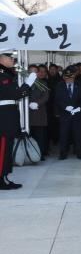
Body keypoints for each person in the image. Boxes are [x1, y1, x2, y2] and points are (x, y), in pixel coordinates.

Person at [0, 50, 37, 189]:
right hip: (3, 119)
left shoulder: (6, 74)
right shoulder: (2, 75)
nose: (12, 60)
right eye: (9, 57)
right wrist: (28, 84)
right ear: (1, 59)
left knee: (6, 149)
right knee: (3, 150)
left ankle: (4, 177)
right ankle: (1, 179)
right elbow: (14, 94)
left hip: (6, 117)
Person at [54, 66, 81, 159]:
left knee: (78, 134)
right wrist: (65, 107)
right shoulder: (59, 85)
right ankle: (63, 153)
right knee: (64, 134)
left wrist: (79, 108)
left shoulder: (80, 84)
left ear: (74, 76)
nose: (69, 79)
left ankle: (79, 153)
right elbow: (57, 99)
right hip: (65, 114)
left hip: (77, 114)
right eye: (67, 77)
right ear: (64, 77)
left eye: (71, 77)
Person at [29, 65, 50, 160]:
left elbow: (46, 96)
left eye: (35, 72)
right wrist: (28, 103)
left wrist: (37, 103)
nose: (33, 74)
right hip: (26, 115)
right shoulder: (23, 82)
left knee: (39, 136)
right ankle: (29, 155)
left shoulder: (42, 83)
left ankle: (39, 154)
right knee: (28, 135)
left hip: (39, 113)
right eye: (31, 71)